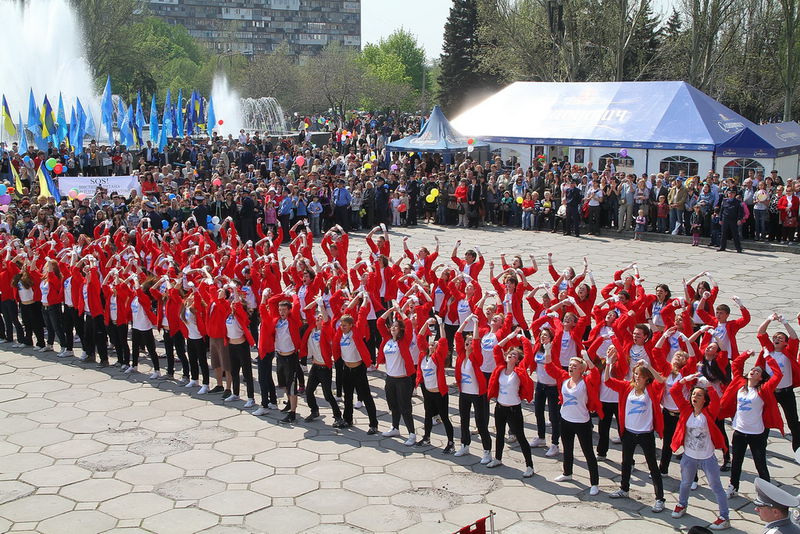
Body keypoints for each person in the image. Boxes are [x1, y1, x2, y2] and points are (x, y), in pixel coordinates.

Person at [604, 355, 668, 513]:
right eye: (636, 374)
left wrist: (649, 366)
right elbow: (608, 381)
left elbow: (661, 381)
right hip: (629, 433)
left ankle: (660, 499)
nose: (637, 377)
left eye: (640, 375)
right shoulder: (627, 387)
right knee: (626, 463)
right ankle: (624, 489)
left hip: (645, 434)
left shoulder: (651, 390)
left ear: (647, 378)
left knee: (652, 466)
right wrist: (608, 364)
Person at [668, 373, 731, 530]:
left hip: (707, 458)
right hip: (689, 456)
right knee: (685, 483)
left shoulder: (709, 412)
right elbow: (674, 391)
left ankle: (724, 517)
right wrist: (685, 380)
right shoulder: (685, 409)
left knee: (716, 487)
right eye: (693, 394)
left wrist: (708, 385)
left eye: (699, 395)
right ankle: (682, 505)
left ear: (704, 399)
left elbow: (716, 400)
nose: (695, 396)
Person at [719, 350, 783, 498]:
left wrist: (768, 357)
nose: (753, 371)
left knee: (760, 463)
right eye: (752, 369)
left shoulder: (764, 389)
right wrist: (746, 354)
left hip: (757, 433)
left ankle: (766, 493)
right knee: (737, 462)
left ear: (761, 378)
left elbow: (778, 375)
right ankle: (733, 486)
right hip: (739, 431)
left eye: (757, 371)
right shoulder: (740, 384)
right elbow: (736, 364)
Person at [486, 327, 535, 477]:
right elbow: (496, 348)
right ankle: (498, 458)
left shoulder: (519, 370)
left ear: (517, 360)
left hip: (514, 408)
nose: (510, 355)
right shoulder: (501, 367)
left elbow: (528, 353)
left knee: (520, 436)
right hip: (500, 407)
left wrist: (522, 338)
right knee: (499, 434)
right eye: (509, 353)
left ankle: (529, 466)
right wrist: (510, 336)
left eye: (514, 355)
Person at [416, 317, 455, 453]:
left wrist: (440, 324)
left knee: (444, 417)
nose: (431, 345)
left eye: (434, 344)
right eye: (431, 344)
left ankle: (451, 443)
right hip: (427, 391)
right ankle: (426, 438)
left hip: (439, 392)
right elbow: (420, 337)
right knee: (428, 415)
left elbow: (444, 341)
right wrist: (426, 323)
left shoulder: (437, 357)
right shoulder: (423, 355)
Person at [718, 188, 744, 253]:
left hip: (733, 220)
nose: (730, 195)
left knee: (735, 235)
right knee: (723, 234)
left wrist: (739, 219)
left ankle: (738, 248)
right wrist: (720, 219)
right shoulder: (724, 201)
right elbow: (721, 211)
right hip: (725, 219)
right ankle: (722, 247)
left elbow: (740, 212)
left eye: (732, 193)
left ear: (735, 194)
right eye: (729, 193)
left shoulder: (738, 202)